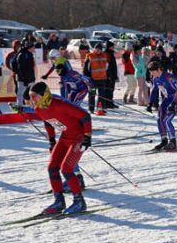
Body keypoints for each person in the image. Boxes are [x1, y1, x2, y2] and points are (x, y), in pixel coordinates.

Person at [28, 82, 93, 215]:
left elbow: (85, 116)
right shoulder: (39, 109)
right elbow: (48, 122)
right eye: (31, 97)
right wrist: (52, 140)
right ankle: (59, 201)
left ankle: (79, 202)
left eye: (34, 96)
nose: (32, 100)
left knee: (66, 169)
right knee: (52, 167)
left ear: (43, 95)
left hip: (78, 137)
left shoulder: (59, 104)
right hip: (65, 137)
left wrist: (87, 137)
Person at [146, 61, 177, 151]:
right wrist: (150, 104)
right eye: (150, 72)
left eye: (152, 71)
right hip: (166, 100)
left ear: (158, 69)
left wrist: (174, 104)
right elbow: (154, 91)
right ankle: (164, 140)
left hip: (175, 100)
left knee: (167, 120)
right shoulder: (156, 79)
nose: (151, 74)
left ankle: (173, 142)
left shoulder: (169, 77)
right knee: (160, 119)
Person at [84, 43, 109, 115]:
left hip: (102, 79)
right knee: (92, 94)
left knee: (102, 95)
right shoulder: (90, 56)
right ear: (94, 49)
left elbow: (107, 67)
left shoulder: (104, 55)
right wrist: (87, 79)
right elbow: (86, 69)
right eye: (97, 48)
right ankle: (91, 108)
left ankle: (100, 108)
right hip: (92, 80)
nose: (98, 50)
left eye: (99, 49)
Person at [13, 42, 37, 107]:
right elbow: (21, 69)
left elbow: (30, 68)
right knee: (21, 93)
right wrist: (24, 79)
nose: (34, 48)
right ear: (30, 48)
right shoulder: (23, 55)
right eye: (33, 47)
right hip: (23, 79)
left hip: (28, 78)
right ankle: (19, 106)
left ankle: (31, 106)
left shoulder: (29, 54)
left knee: (30, 92)